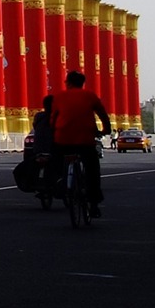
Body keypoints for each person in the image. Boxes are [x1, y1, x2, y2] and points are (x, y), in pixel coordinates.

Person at [50, 70, 110, 218]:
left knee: (56, 162)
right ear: (82, 83)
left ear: (68, 83)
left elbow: (53, 119)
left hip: (63, 139)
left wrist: (54, 130)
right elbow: (102, 114)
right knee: (92, 169)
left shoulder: (59, 97)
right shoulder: (90, 96)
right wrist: (106, 129)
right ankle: (94, 203)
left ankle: (57, 183)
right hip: (85, 139)